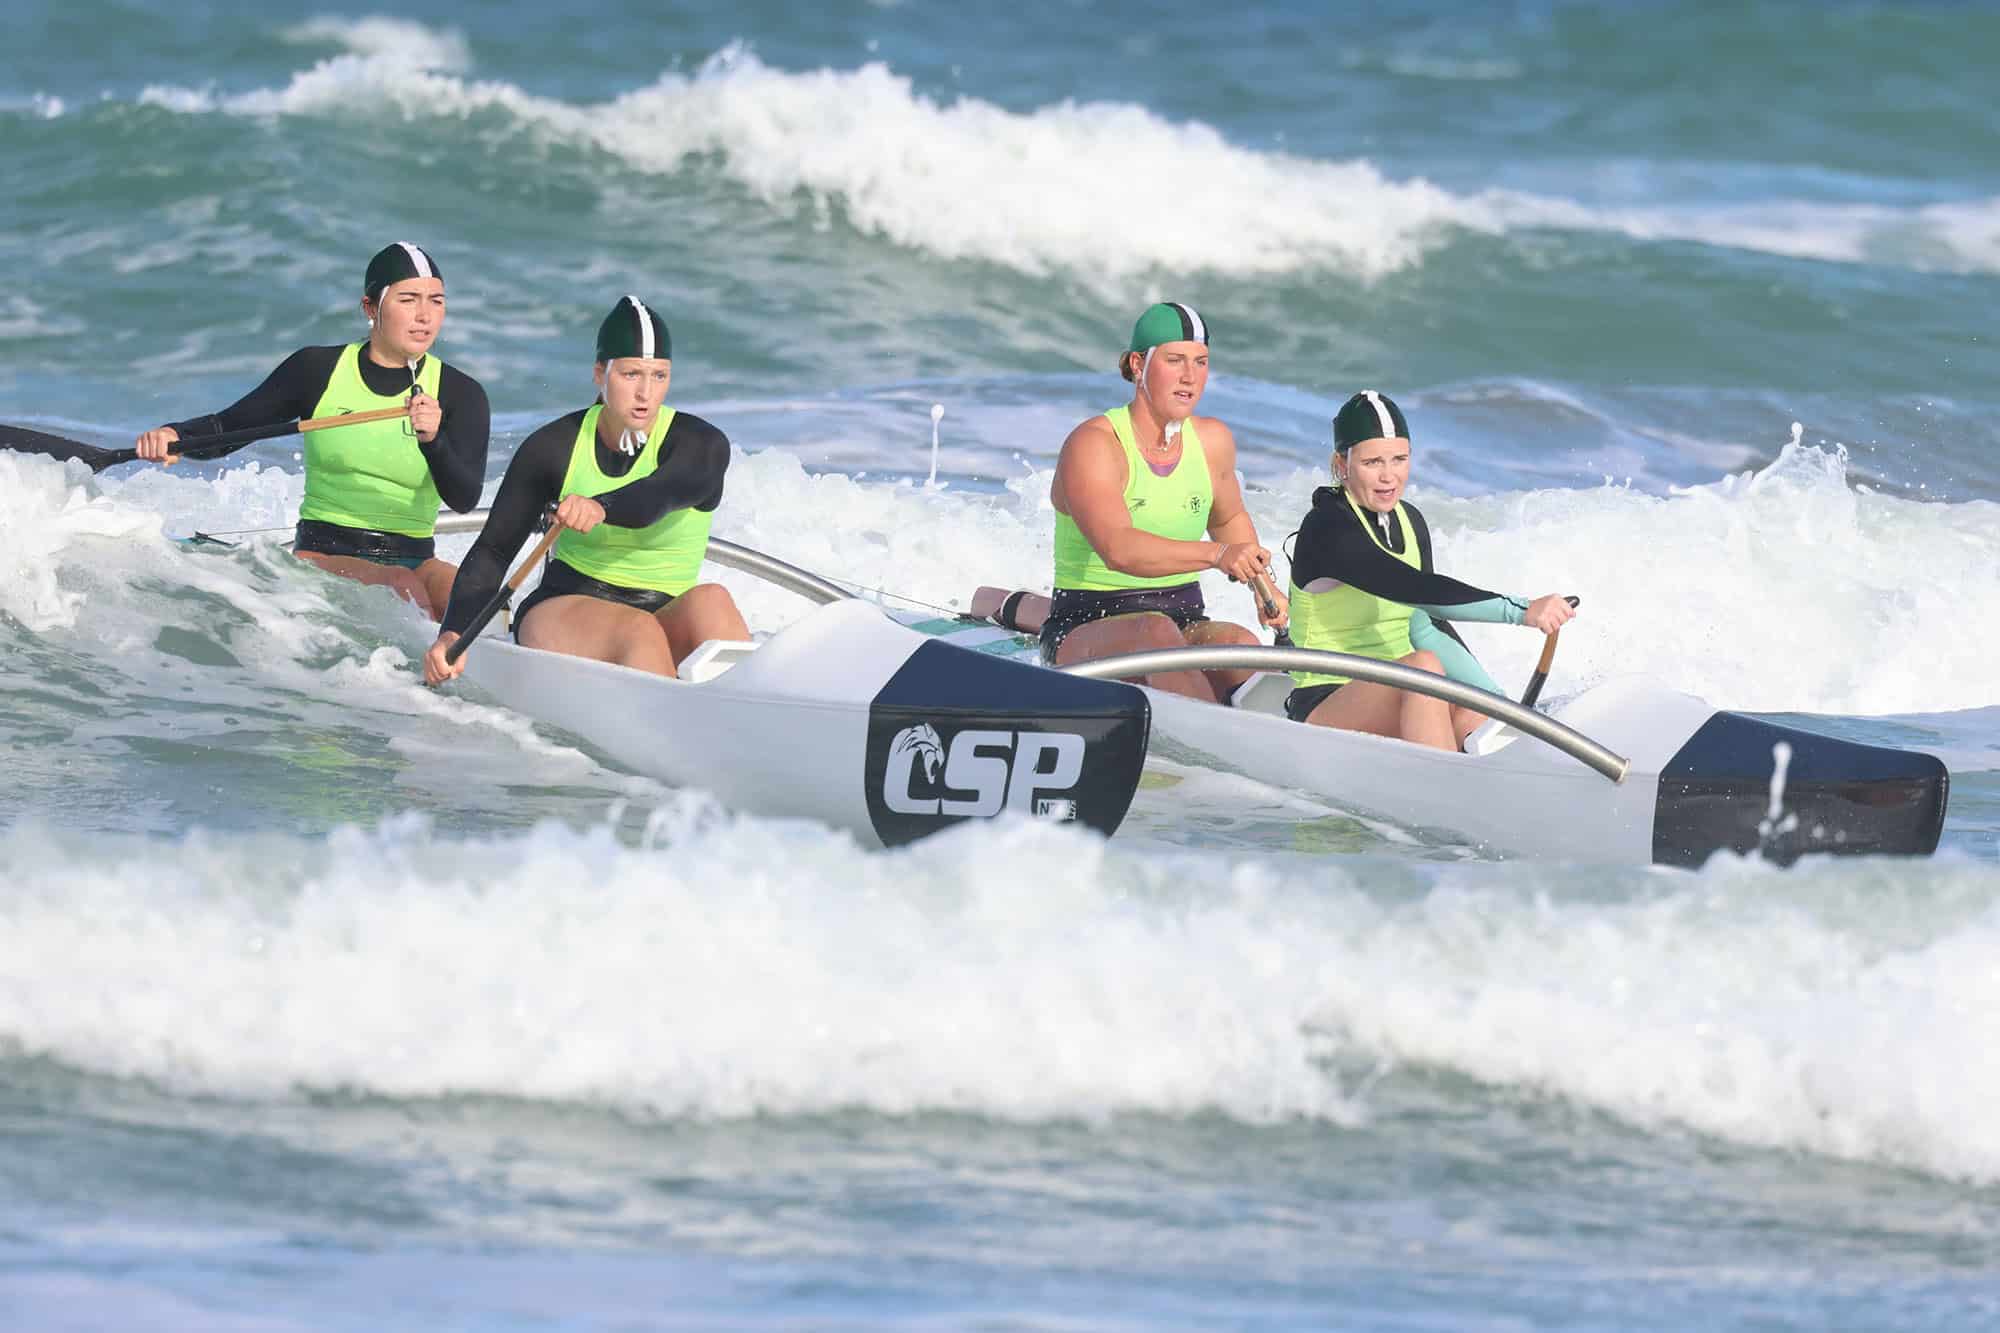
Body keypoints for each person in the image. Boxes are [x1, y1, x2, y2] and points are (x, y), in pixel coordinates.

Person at [134, 242, 490, 620]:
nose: (425, 316)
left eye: (436, 301)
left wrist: (433, 442)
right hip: (322, 555)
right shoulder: (317, 370)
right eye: (408, 299)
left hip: (417, 559)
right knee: (401, 588)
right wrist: (175, 436)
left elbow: (464, 499)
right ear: (370, 307)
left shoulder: (460, 394)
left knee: (480, 602)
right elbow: (229, 428)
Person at [423, 296, 747, 686]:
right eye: (630, 375)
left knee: (713, 599)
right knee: (637, 630)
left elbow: (659, 495)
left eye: (659, 376)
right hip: (566, 607)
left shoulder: (702, 445)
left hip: (663, 611)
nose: (645, 393)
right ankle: (674, 731)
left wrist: (601, 506)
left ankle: (757, 721)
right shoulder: (554, 447)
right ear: (600, 373)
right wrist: (453, 632)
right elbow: (494, 550)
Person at [1284, 390, 1574, 750]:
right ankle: (1447, 791)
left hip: (1405, 691)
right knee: (1424, 667)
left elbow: (1425, 625)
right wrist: (1520, 610)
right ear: (1342, 464)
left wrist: (1498, 703)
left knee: (1473, 709)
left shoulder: (1410, 521)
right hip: (1326, 701)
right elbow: (1409, 587)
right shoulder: (1327, 526)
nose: (1389, 476)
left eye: (1399, 459)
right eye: (1372, 462)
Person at [1043, 302, 1286, 703]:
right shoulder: (1095, 444)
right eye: (1175, 361)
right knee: (1153, 633)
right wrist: (1217, 554)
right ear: (1138, 365)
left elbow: (1228, 518)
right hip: (1085, 627)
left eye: (1201, 362)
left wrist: (1267, 588)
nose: (1191, 377)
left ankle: (1278, 740)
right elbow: (1118, 550)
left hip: (1183, 620)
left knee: (1240, 644)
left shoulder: (1212, 441)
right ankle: (1218, 753)